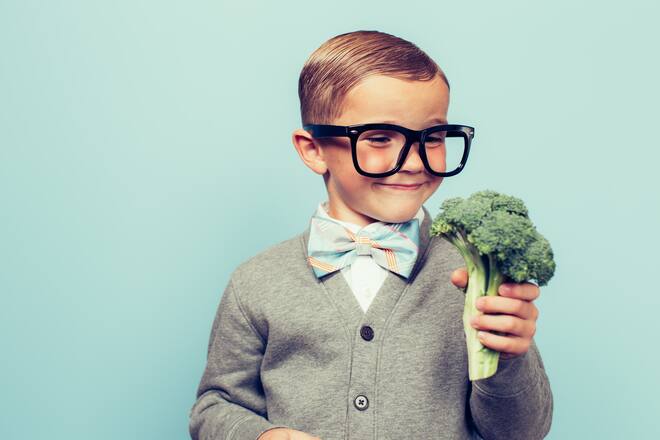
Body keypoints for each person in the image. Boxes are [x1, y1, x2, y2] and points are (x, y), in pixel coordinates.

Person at [188, 30, 553, 440]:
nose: (414, 162)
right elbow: (215, 405)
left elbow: (522, 432)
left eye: (431, 138)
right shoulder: (256, 282)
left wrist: (507, 357)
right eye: (380, 137)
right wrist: (260, 436)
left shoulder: (476, 276)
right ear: (312, 149)